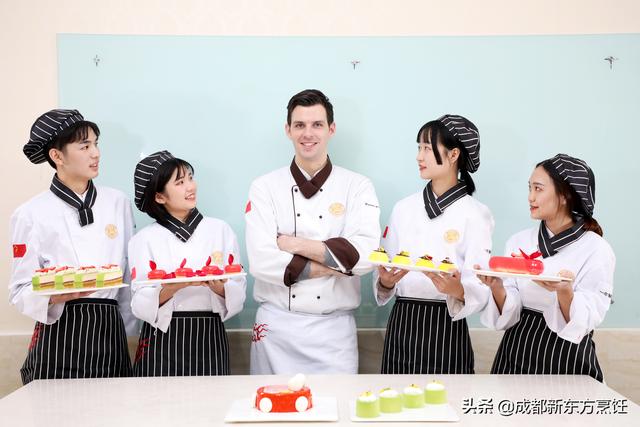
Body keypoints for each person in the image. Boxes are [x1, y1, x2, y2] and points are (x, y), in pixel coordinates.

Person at [245, 89, 381, 374]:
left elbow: (366, 256)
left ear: (331, 129)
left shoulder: (357, 186)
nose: (308, 133)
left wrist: (294, 244)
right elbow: (261, 262)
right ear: (288, 130)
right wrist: (337, 264)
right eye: (300, 125)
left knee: (337, 401)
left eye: (317, 124)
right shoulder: (264, 187)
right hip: (276, 329)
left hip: (335, 333)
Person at [10, 109, 135, 383]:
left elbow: (127, 279)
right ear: (57, 156)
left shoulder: (118, 202)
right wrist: (56, 296)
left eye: (96, 144)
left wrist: (127, 334)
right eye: (84, 146)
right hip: (59, 334)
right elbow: (19, 290)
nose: (96, 153)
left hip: (110, 334)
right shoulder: (29, 213)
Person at [477, 154, 614, 381]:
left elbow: (586, 319)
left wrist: (564, 291)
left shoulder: (597, 249)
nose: (530, 197)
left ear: (565, 195)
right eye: (529, 188)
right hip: (516, 351)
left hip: (567, 358)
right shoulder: (518, 241)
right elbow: (510, 311)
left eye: (538, 189)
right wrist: (496, 286)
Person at [375, 115, 494, 374]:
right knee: (396, 397)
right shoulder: (403, 208)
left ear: (453, 155)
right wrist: (385, 282)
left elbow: (480, 284)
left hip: (447, 328)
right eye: (419, 147)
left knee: (450, 397)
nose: (419, 156)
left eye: (427, 148)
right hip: (402, 323)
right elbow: (385, 270)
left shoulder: (476, 214)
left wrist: (457, 289)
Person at [128, 151, 246, 376]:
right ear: (159, 197)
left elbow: (238, 292)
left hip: (210, 337)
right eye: (180, 182)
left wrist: (219, 288)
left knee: (211, 398)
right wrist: (171, 288)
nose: (190, 187)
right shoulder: (143, 239)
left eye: (190, 178)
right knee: (156, 398)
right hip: (160, 340)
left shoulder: (220, 230)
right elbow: (139, 305)